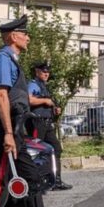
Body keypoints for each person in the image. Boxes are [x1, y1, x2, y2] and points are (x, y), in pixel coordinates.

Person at [0, 15, 47, 207]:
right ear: (13, 36)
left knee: (32, 178)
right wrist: (8, 133)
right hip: (4, 127)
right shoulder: (2, 58)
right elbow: (1, 95)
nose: (28, 38)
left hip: (15, 129)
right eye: (25, 34)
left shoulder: (12, 61)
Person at [28, 61, 72, 191]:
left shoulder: (44, 86)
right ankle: (35, 182)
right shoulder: (33, 84)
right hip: (37, 123)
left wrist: (54, 109)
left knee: (56, 149)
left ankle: (56, 181)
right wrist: (45, 101)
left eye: (48, 72)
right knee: (36, 151)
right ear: (37, 72)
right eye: (44, 71)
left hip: (46, 123)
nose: (47, 74)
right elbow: (29, 99)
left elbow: (46, 104)